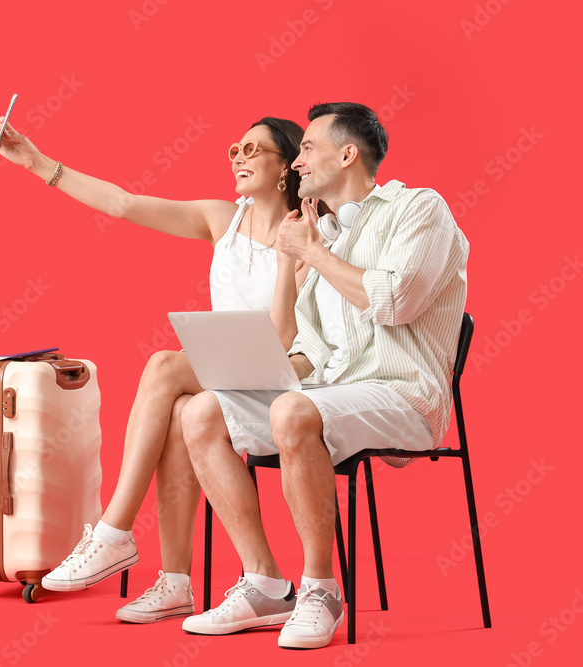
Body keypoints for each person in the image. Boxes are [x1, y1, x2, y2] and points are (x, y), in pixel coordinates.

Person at [0, 114, 314, 622]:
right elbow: (122, 203)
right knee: (183, 409)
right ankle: (176, 583)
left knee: (163, 365)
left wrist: (291, 255)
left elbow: (285, 334)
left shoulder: (309, 233)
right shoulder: (220, 217)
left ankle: (114, 531)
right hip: (228, 371)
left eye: (252, 150)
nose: (237, 157)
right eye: (234, 149)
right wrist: (38, 163)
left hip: (285, 368)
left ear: (284, 168)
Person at [179, 102, 469, 649]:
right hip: (330, 393)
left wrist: (312, 251)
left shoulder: (418, 209)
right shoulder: (322, 233)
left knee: (292, 410)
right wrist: (261, 374)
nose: (296, 162)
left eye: (307, 148)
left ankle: (321, 589)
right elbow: (311, 347)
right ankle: (265, 582)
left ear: (347, 153)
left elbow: (395, 301)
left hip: (404, 395)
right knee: (204, 409)